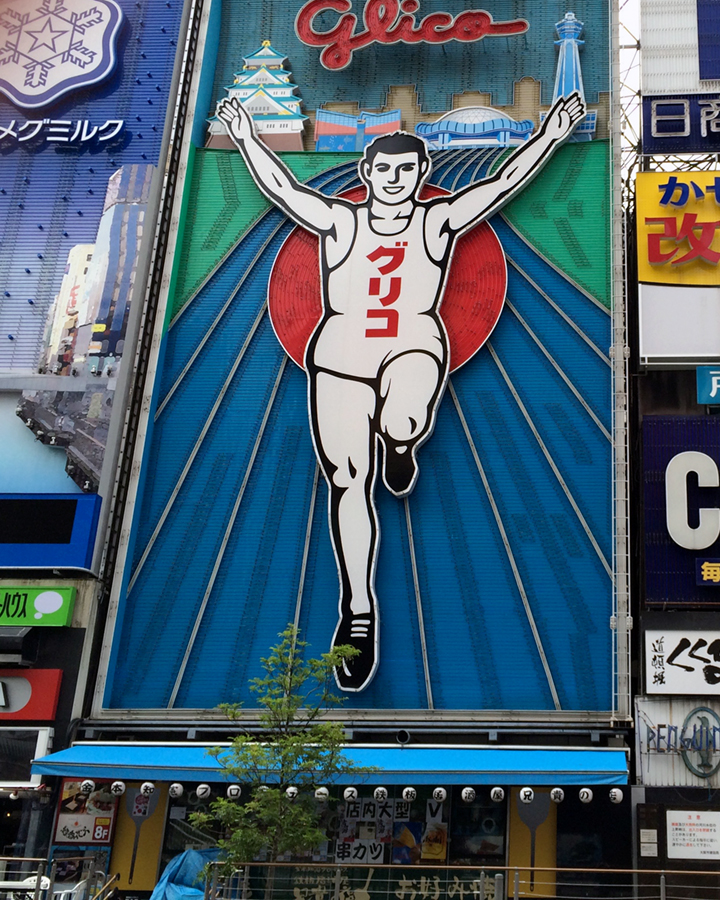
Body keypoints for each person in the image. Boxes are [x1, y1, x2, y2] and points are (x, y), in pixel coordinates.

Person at [216, 91, 586, 691]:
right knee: (347, 481)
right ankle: (357, 613)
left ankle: (400, 442)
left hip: (412, 344)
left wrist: (549, 134)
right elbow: (284, 188)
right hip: (340, 358)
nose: (395, 179)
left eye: (406, 169)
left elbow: (501, 183)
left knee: (405, 417)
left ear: (421, 173)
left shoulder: (436, 222)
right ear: (367, 172)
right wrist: (246, 137)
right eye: (385, 169)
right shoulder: (341, 222)